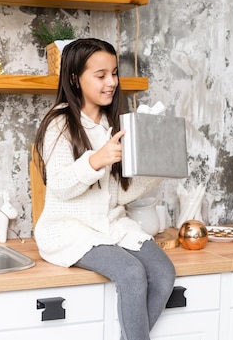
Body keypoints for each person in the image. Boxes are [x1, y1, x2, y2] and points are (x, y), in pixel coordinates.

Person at [33, 38, 176, 340]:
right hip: (70, 229)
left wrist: (159, 163)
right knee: (131, 272)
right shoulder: (59, 124)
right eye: (100, 76)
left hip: (111, 224)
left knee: (163, 272)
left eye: (114, 73)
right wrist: (96, 160)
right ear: (75, 78)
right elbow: (59, 187)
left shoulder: (115, 124)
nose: (111, 82)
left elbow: (119, 194)